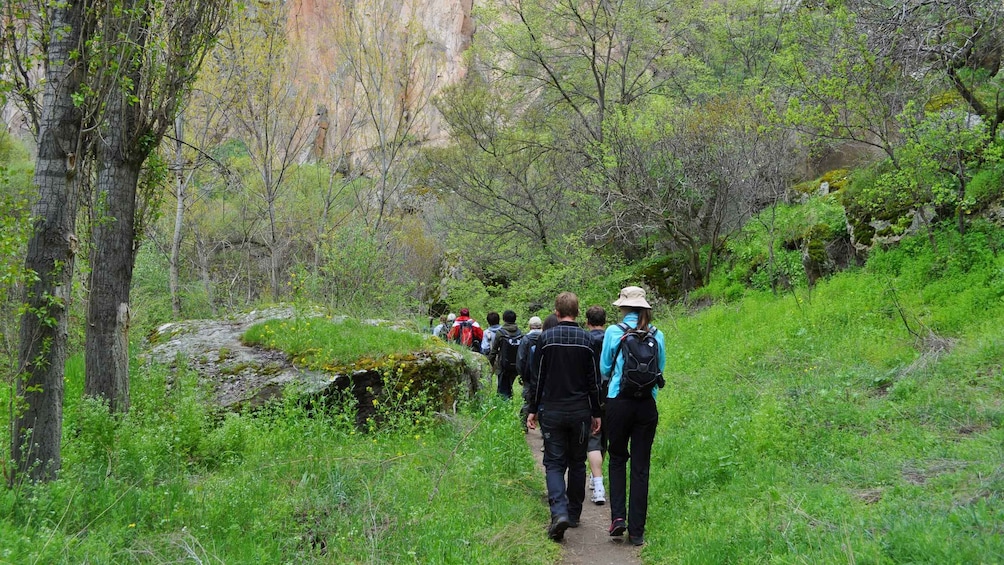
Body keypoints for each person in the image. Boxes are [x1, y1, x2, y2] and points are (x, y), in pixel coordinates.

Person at [526, 293, 603, 541]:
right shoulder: (586, 340)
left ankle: (558, 512)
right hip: (580, 410)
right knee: (577, 462)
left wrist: (533, 408)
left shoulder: (546, 339)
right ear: (578, 312)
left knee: (554, 462)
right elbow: (593, 380)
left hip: (553, 410)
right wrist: (596, 412)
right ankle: (574, 513)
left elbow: (538, 379)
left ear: (556, 312)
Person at [600, 286, 665, 547]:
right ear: (644, 307)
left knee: (617, 458)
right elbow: (659, 369)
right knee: (641, 466)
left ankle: (618, 518)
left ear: (623, 307)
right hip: (646, 406)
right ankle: (637, 531)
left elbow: (605, 367)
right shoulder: (657, 334)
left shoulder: (614, 332)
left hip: (619, 402)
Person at [584, 305, 608, 505]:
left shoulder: (585, 340)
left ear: (587, 321)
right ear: (605, 321)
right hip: (611, 394)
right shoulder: (613, 338)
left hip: (590, 395)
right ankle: (595, 477)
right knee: (604, 438)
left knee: (594, 438)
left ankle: (598, 486)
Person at [517, 315, 544, 430]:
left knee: (527, 399)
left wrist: (521, 375)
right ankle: (544, 429)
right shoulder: (545, 337)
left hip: (528, 376)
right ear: (541, 326)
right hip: (543, 375)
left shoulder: (526, 339)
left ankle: (524, 425)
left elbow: (521, 358)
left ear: (529, 326)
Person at [487, 310, 522, 399]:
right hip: (516, 364)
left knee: (502, 388)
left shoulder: (501, 333)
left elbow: (494, 350)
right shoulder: (520, 333)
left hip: (503, 365)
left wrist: (489, 364)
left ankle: (503, 404)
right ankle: (508, 400)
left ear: (504, 319)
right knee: (509, 385)